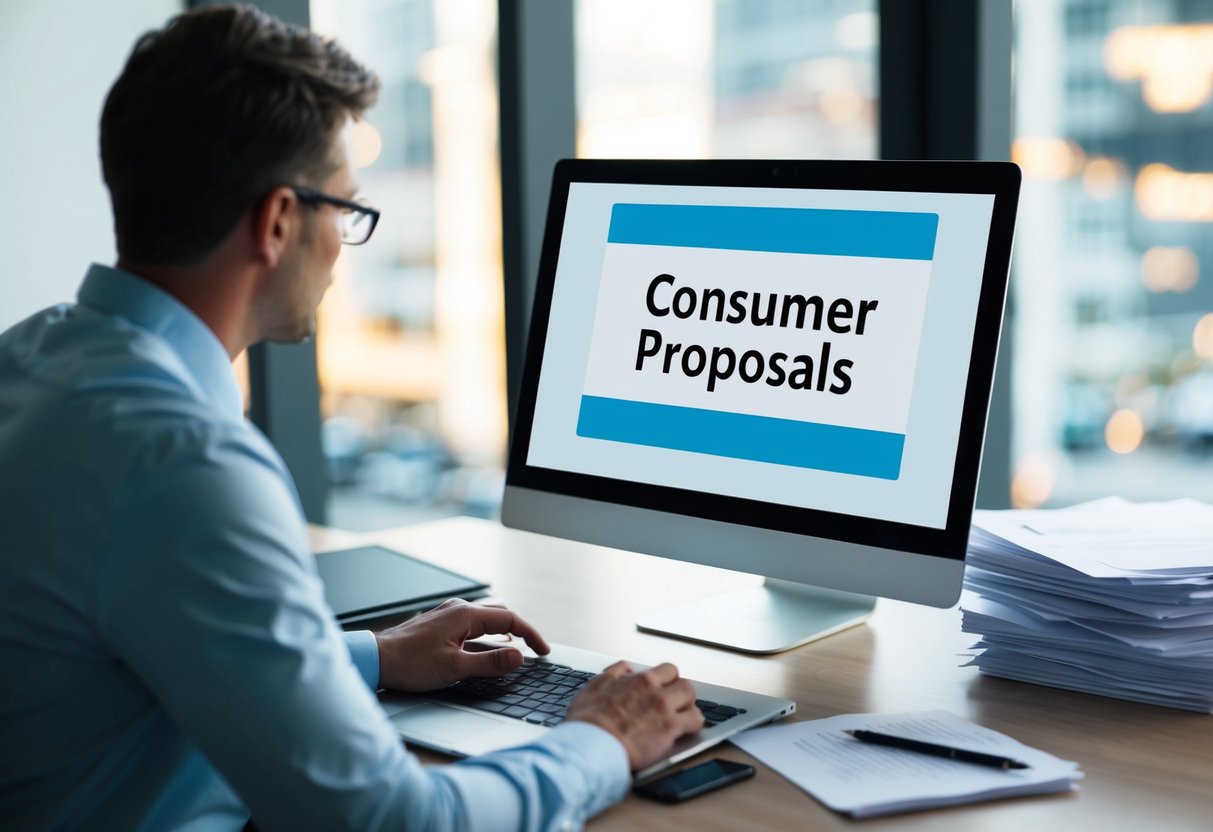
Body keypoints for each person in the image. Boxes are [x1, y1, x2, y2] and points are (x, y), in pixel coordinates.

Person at [0, 5, 703, 830]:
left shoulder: (34, 360)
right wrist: (602, 741)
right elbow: (391, 822)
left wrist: (374, 657)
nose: (344, 242)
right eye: (346, 208)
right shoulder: (183, 463)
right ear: (278, 221)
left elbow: (133, 638)